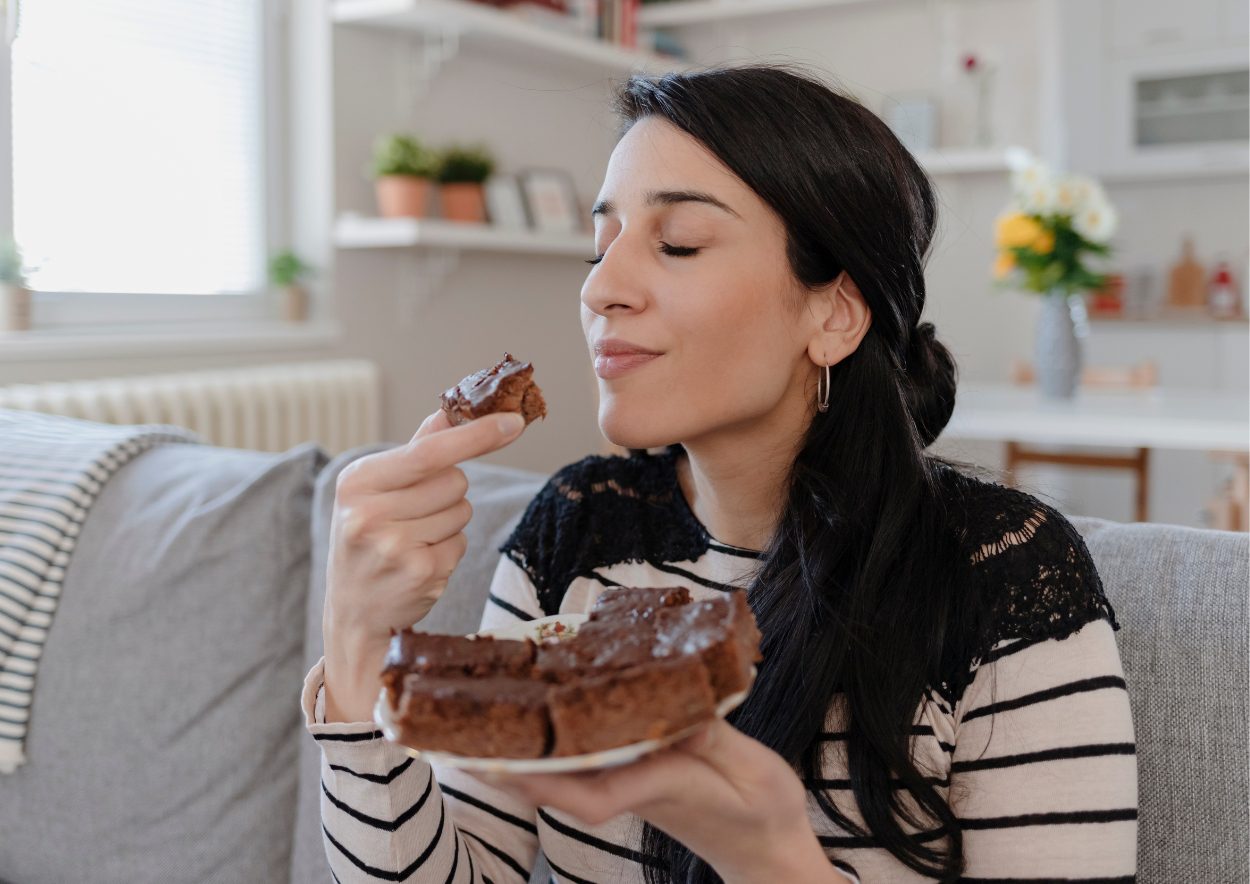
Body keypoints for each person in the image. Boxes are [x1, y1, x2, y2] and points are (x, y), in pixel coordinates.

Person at [303, 63, 1137, 883]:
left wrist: (764, 860)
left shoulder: (1002, 574)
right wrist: (353, 640)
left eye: (679, 243)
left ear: (834, 314)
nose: (601, 288)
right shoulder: (577, 528)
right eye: (601, 245)